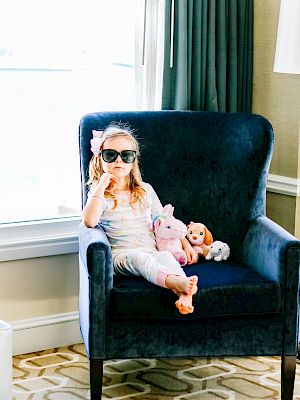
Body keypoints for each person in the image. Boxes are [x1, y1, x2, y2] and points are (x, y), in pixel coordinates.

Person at [82, 123, 198, 314]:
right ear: (99, 159)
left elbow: (164, 219)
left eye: (126, 155)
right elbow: (88, 221)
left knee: (167, 257)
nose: (118, 160)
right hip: (121, 256)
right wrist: (101, 185)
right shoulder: (100, 195)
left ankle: (185, 293)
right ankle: (175, 282)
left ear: (133, 161)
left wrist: (185, 243)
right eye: (110, 155)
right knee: (140, 260)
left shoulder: (145, 190)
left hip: (151, 250)